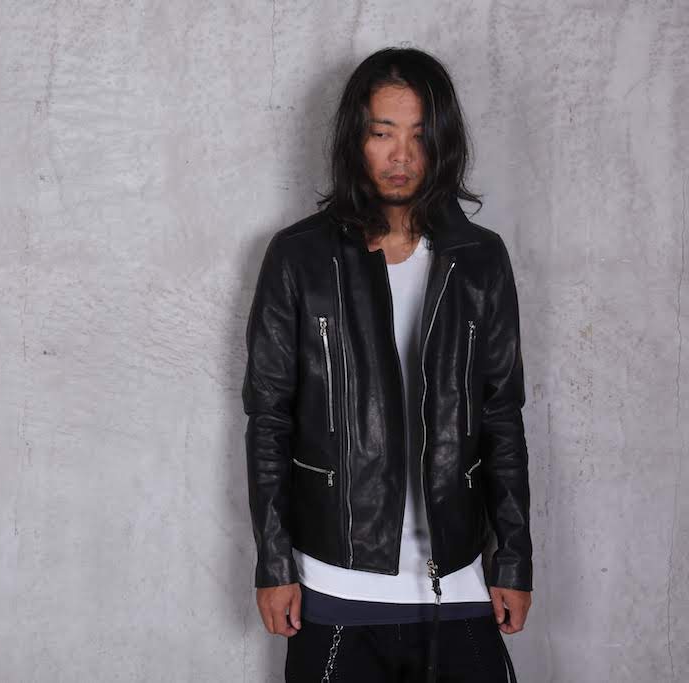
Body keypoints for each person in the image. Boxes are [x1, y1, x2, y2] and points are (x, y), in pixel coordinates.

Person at [241, 47, 533, 682]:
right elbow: (269, 419)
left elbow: (501, 416)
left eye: (419, 136)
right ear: (356, 139)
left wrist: (513, 559)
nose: (401, 156)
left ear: (443, 144)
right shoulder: (299, 258)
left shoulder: (479, 259)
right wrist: (273, 564)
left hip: (457, 577)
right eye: (382, 134)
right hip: (334, 578)